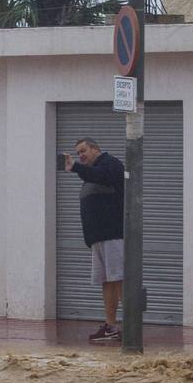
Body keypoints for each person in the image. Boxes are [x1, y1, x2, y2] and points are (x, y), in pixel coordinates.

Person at [63, 137, 124, 342]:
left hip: (113, 235)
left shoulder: (110, 165)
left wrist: (76, 168)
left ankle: (132, 326)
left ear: (96, 148)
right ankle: (111, 326)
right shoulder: (91, 173)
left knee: (120, 280)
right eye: (78, 152)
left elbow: (102, 176)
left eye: (84, 151)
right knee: (106, 281)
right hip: (98, 238)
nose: (81, 155)